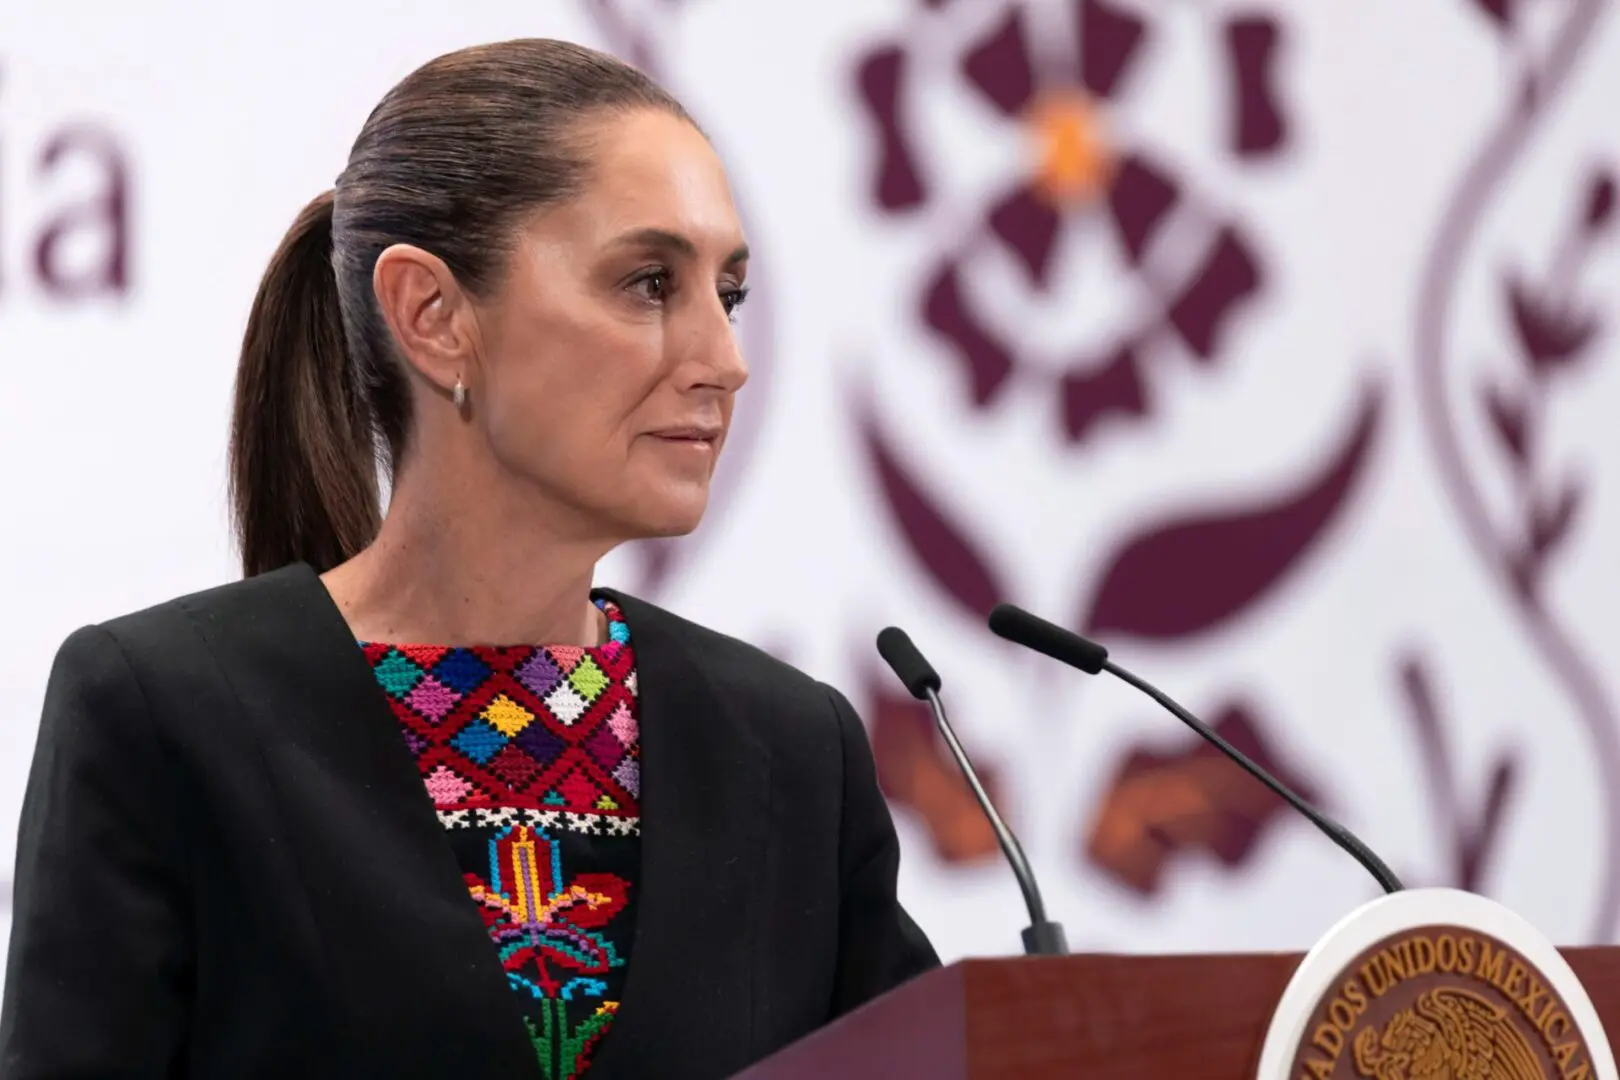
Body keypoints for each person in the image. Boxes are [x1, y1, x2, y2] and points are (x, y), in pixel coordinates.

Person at [0, 38, 938, 1080]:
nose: (726, 361)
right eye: (646, 283)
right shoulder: (159, 714)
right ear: (433, 317)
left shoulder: (793, 750)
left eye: (730, 294)